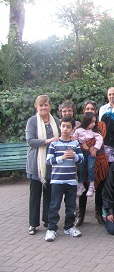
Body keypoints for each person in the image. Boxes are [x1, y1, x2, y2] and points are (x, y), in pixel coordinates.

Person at [44, 116, 84, 242]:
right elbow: (49, 160)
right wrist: (62, 158)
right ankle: (51, 228)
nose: (65, 129)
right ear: (60, 127)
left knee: (71, 205)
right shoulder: (54, 144)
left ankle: (69, 226)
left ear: (72, 129)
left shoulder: (75, 143)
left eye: (68, 127)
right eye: (63, 126)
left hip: (71, 180)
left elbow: (82, 159)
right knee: (54, 205)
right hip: (57, 181)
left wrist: (74, 156)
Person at [26, 95, 60, 235]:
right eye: (41, 106)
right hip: (36, 164)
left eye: (46, 105)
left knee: (49, 194)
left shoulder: (56, 121)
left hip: (51, 164)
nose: (44, 108)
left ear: (50, 106)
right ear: (36, 107)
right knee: (35, 195)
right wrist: (47, 141)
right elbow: (30, 141)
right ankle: (33, 224)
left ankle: (47, 220)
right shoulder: (32, 121)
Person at [75, 101, 109, 227]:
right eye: (87, 108)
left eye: (92, 109)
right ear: (84, 111)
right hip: (84, 161)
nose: (89, 110)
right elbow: (75, 141)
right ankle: (81, 216)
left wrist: (86, 145)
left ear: (96, 111)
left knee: (100, 187)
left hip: (100, 160)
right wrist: (86, 146)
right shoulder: (79, 127)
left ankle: (98, 214)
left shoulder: (101, 125)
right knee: (83, 187)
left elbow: (99, 138)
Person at [74, 112, 103, 197]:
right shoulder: (79, 130)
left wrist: (95, 149)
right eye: (91, 122)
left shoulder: (94, 132)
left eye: (94, 122)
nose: (93, 124)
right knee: (81, 168)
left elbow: (100, 140)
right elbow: (74, 139)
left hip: (91, 153)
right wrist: (81, 144)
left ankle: (91, 185)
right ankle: (80, 184)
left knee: (91, 167)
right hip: (81, 152)